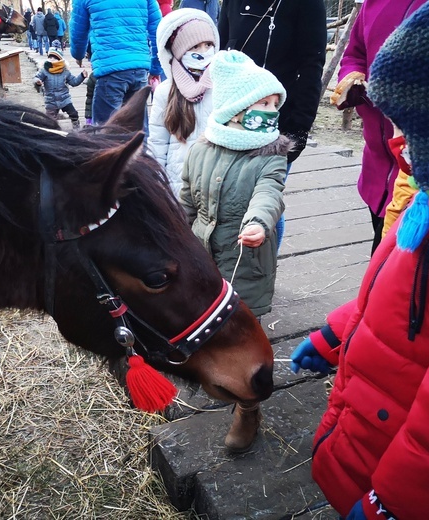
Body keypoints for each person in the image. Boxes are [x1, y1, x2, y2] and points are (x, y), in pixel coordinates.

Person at [290, 0, 429, 517]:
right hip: (378, 426)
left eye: (414, 126)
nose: (395, 140)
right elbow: (394, 287)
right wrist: (339, 332)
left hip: (411, 483)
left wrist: (398, 505)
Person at [180, 50, 290, 452]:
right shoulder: (199, 151)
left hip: (247, 263)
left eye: (274, 104)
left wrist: (259, 222)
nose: (270, 112)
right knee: (201, 323)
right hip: (202, 261)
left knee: (245, 332)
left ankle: (248, 408)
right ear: (235, 109)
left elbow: (269, 194)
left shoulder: (271, 157)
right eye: (262, 103)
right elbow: (186, 202)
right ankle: (206, 371)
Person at [217, 0, 326, 252]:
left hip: (276, 123)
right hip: (231, 119)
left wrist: (299, 127)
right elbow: (222, 53)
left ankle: (263, 272)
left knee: (265, 200)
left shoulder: (307, 5)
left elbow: (312, 65)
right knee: (225, 195)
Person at [330, 0, 429, 254]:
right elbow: (355, 53)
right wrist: (352, 79)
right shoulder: (375, 3)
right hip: (377, 166)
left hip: (423, 172)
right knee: (380, 249)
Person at [148, 8, 218, 197]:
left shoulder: (222, 85)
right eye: (195, 47)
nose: (204, 52)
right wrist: (156, 185)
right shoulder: (165, 91)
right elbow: (157, 143)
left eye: (208, 45)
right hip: (178, 186)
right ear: (178, 52)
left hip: (217, 185)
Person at [69, 0, 163, 125]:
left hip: (109, 69)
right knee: (138, 130)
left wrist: (78, 54)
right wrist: (155, 68)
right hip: (139, 67)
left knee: (106, 131)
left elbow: (78, 31)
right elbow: (158, 32)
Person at [33, 49, 88, 129]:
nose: (51, 59)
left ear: (59, 60)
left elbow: (74, 82)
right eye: (50, 57)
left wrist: (82, 76)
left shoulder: (65, 72)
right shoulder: (44, 71)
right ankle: (52, 131)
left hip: (64, 99)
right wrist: (37, 82)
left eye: (54, 58)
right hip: (51, 100)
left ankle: (76, 126)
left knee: (74, 114)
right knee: (50, 120)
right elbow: (36, 78)